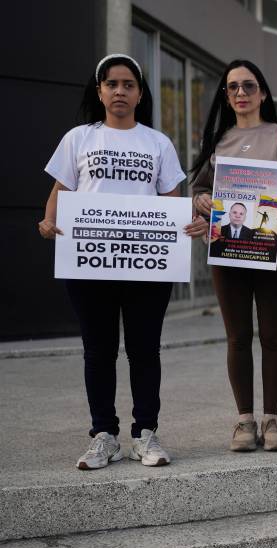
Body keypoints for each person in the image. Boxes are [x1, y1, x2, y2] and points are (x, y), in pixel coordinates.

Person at [39, 54, 187, 470]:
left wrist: (183, 227)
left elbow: (170, 204)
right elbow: (62, 188)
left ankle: (145, 434)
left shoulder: (158, 143)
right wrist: (49, 222)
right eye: (111, 84)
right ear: (100, 91)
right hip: (89, 265)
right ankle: (104, 434)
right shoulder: (79, 138)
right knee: (98, 351)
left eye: (128, 84)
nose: (119, 91)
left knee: (144, 351)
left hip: (145, 265)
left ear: (140, 94)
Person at [189, 59, 277, 452]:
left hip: (273, 252)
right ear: (226, 95)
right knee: (237, 337)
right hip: (228, 252)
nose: (241, 93)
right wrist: (201, 199)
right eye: (233, 87)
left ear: (262, 92)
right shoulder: (216, 140)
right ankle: (244, 421)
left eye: (249, 86)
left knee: (272, 337)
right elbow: (198, 191)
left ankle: (272, 419)